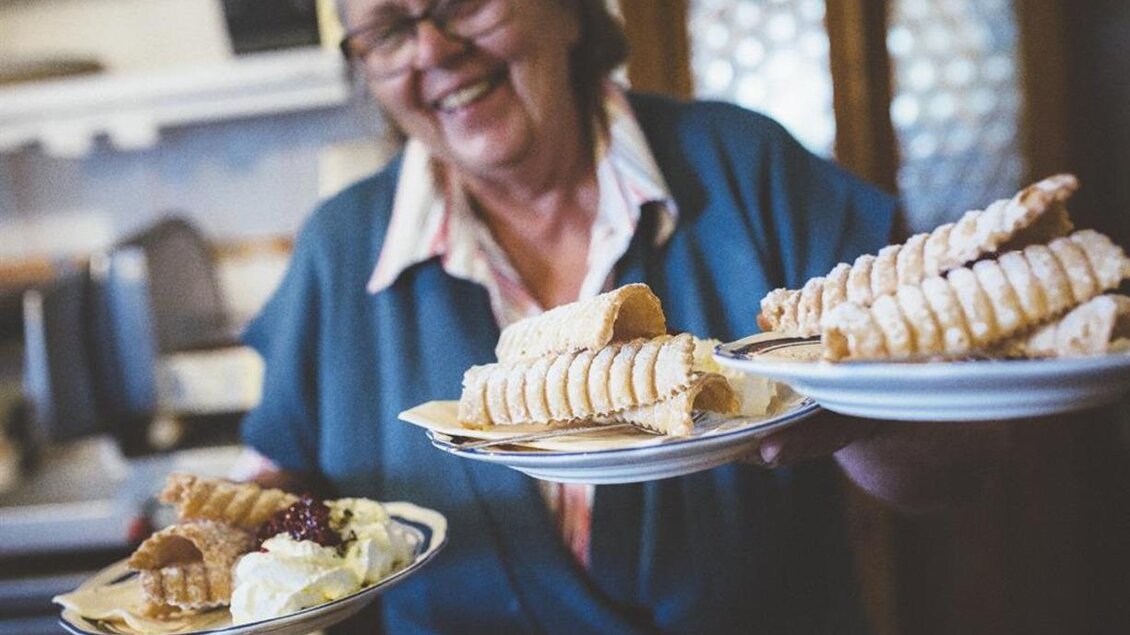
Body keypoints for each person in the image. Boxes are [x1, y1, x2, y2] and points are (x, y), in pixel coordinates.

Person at [240, 0, 1005, 632]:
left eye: (461, 2)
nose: (433, 48)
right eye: (386, 31)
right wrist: (234, 558)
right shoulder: (339, 251)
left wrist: (864, 414)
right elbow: (282, 484)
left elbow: (953, 465)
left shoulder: (747, 168)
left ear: (569, 14)